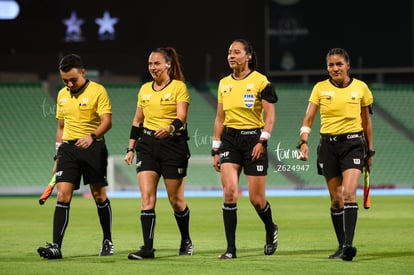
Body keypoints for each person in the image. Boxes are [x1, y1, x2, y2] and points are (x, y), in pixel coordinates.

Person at [297, 48, 374, 261]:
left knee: (349, 193)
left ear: (348, 65)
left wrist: (370, 150)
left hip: (353, 145)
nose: (335, 68)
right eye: (331, 65)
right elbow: (308, 119)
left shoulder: (361, 88)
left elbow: (367, 123)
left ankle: (349, 245)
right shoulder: (319, 89)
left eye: (339, 64)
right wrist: (303, 141)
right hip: (328, 147)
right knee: (336, 200)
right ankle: (341, 246)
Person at [37, 54, 114, 259]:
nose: (69, 84)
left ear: (82, 72)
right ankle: (56, 246)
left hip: (93, 147)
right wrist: (57, 155)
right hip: (68, 151)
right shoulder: (62, 95)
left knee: (99, 196)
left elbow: (107, 121)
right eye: (65, 80)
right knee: (63, 195)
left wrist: (92, 136)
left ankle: (107, 240)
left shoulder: (98, 91)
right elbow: (61, 127)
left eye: (73, 79)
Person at [212, 38, 279, 259]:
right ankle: (230, 249)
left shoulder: (260, 81)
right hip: (230, 140)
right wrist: (215, 148)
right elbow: (220, 118)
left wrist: (263, 141)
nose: (231, 55)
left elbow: (270, 116)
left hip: (254, 141)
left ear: (248, 56)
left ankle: (270, 229)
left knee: (256, 199)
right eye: (229, 52)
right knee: (229, 193)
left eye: (237, 52)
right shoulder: (224, 83)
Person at [124, 47, 193, 260]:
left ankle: (186, 240)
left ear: (168, 65)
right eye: (150, 64)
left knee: (176, 200)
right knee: (147, 197)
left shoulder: (179, 87)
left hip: (173, 145)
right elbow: (137, 121)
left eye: (157, 63)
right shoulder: (144, 89)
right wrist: (130, 148)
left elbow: (182, 117)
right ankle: (147, 248)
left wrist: (170, 129)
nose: (153, 67)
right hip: (147, 145)